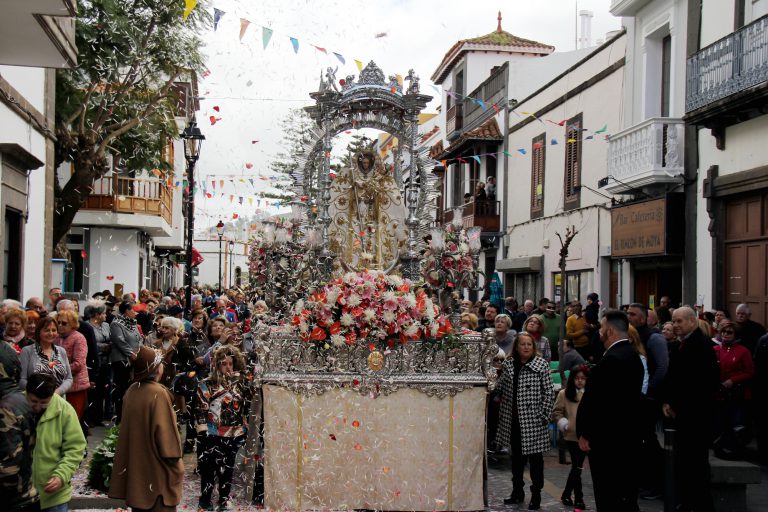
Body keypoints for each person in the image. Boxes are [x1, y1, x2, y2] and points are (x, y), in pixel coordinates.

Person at [577, 310, 644, 511]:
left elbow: (599, 402)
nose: (599, 332)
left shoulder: (613, 359)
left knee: (609, 493)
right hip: (626, 437)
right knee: (625, 494)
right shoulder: (632, 355)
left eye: (602, 328)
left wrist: (586, 433)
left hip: (608, 441)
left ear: (610, 331)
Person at [109, 346, 184, 511]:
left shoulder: (132, 391)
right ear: (157, 369)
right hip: (157, 475)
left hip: (138, 472)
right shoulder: (158, 394)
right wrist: (177, 466)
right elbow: (167, 440)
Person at [662, 306, 719, 512]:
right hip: (683, 415)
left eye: (679, 321)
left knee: (695, 465)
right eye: (673, 321)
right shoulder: (682, 344)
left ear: (692, 321)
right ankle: (687, 502)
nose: (675, 325)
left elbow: (700, 384)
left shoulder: (701, 346)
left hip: (694, 417)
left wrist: (678, 406)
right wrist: (667, 401)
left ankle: (699, 505)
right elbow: (673, 377)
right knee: (685, 464)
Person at [496, 332, 554, 510]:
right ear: (516, 346)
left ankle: (536, 495)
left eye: (529, 344)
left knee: (536, 461)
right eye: (523, 344)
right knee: (516, 460)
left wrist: (543, 416)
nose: (526, 347)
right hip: (513, 421)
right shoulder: (509, 364)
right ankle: (517, 492)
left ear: (533, 347)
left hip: (534, 422)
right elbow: (500, 388)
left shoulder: (541, 365)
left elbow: (549, 392)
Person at [194, 345, 251, 511]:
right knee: (209, 469)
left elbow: (247, 406)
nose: (228, 367)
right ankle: (205, 501)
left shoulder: (241, 384)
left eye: (231, 364)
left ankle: (223, 500)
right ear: (217, 365)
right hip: (212, 434)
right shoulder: (206, 384)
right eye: (224, 363)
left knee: (227, 470)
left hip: (234, 433)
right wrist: (203, 433)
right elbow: (200, 410)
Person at [26, 373, 86, 512]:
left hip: (54, 496)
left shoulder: (65, 410)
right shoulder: (13, 408)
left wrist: (61, 476)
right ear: (26, 393)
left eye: (44, 403)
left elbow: (75, 448)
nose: (38, 407)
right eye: (34, 401)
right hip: (20, 495)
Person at [0, 342, 39, 512]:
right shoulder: (19, 399)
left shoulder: (5, 408)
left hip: (13, 502)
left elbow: (8, 471)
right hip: (25, 497)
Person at [713, 320, 754, 458]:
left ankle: (734, 451)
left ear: (735, 335)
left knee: (735, 423)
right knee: (719, 422)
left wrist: (732, 380)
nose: (725, 334)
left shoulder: (743, 351)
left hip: (736, 394)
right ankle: (719, 448)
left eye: (729, 332)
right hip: (718, 393)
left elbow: (749, 372)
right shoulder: (716, 349)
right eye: (723, 332)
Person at [553, 365, 589, 509]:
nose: (580, 381)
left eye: (583, 378)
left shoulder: (590, 394)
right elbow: (556, 412)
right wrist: (565, 424)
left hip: (587, 435)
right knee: (577, 466)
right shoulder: (564, 394)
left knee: (576, 467)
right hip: (571, 436)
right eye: (577, 378)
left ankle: (567, 494)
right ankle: (579, 498)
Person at [54, 309, 90, 423]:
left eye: (64, 323)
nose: (60, 325)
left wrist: (57, 370)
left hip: (75, 386)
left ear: (73, 324)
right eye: (58, 322)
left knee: (72, 419)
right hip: (59, 385)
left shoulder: (79, 338)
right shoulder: (56, 337)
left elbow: (78, 364)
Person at [109, 301, 143, 424]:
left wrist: (139, 350)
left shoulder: (133, 323)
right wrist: (131, 353)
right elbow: (119, 341)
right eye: (133, 310)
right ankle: (120, 417)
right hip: (121, 360)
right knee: (121, 388)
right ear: (127, 311)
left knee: (131, 388)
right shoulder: (116, 323)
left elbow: (139, 338)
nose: (135, 312)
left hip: (135, 358)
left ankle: (130, 416)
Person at [20, 317, 72, 395]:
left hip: (58, 398)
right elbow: (22, 379)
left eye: (54, 330)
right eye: (47, 330)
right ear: (39, 332)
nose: (51, 333)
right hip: (35, 399)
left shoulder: (61, 351)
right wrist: (38, 392)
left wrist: (57, 392)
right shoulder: (27, 351)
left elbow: (69, 378)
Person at [84, 301, 111, 425]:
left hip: (106, 362)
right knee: (93, 391)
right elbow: (90, 345)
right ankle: (90, 418)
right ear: (97, 314)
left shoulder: (106, 325)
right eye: (104, 313)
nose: (106, 315)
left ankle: (99, 418)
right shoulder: (87, 326)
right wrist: (104, 347)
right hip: (94, 362)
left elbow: (111, 340)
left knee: (102, 390)